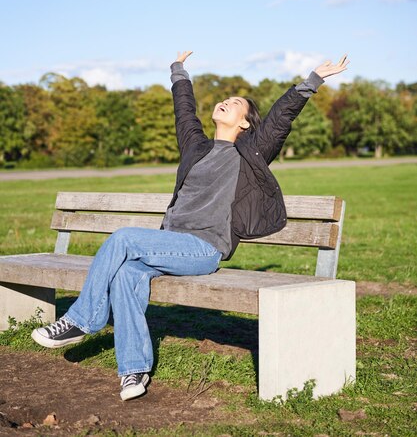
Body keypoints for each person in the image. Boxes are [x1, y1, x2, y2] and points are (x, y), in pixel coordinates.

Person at [31, 51, 349, 401]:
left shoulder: (251, 153)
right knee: (125, 276)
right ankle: (134, 371)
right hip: (170, 243)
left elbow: (280, 118)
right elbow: (184, 111)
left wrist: (312, 80)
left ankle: (83, 319)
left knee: (122, 239)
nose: (226, 102)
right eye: (225, 99)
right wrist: (178, 71)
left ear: (245, 124)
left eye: (235, 103)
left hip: (203, 248)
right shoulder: (196, 148)